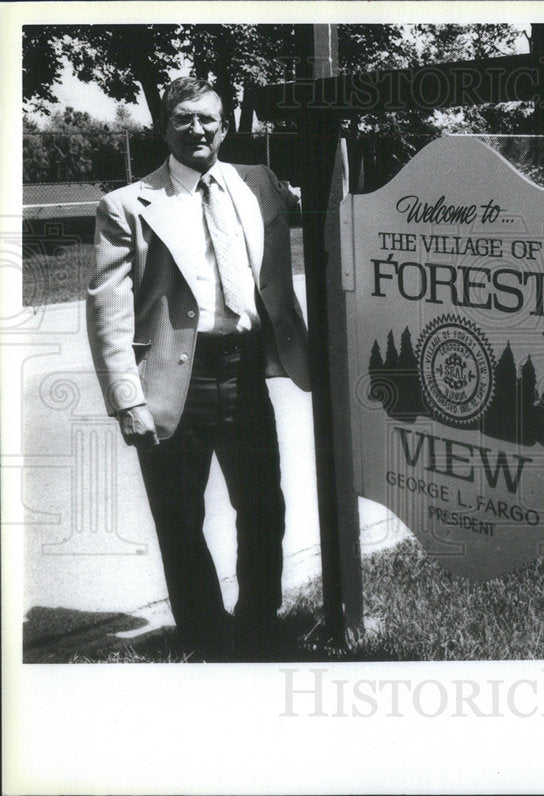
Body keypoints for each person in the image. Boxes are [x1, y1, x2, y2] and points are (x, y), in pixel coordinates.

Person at [87, 76, 310, 661]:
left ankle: (259, 622)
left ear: (224, 125)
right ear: (163, 128)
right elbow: (106, 309)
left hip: (243, 372)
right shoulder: (128, 205)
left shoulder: (255, 184)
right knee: (180, 520)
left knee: (264, 506)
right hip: (171, 383)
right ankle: (206, 637)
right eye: (183, 119)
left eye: (208, 119)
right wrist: (126, 398)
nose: (197, 130)